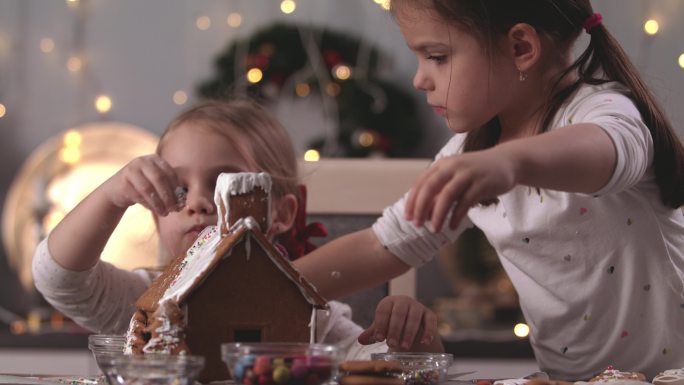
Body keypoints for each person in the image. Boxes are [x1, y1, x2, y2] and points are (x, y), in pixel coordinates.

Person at [294, 0, 684, 380]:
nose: (419, 79)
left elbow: (609, 151)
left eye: (437, 56)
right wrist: (268, 287)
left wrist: (509, 163)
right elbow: (385, 245)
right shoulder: (472, 150)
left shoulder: (602, 110)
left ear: (520, 48)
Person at [31, 99, 443, 359]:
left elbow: (381, 365)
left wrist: (414, 341)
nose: (197, 202)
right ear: (155, 212)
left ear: (281, 213)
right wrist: (111, 194)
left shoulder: (311, 318)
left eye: (226, 184)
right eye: (177, 188)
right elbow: (59, 277)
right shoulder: (138, 304)